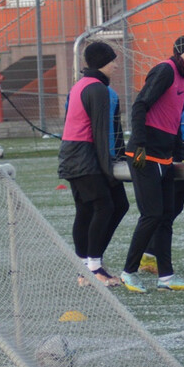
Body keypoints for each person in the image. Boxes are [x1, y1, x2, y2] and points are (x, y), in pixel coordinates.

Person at [120, 36, 184, 294]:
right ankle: (128, 273)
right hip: (144, 155)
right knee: (151, 214)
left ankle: (167, 277)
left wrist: (176, 153)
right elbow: (139, 106)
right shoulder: (165, 70)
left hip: (165, 158)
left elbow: (173, 120)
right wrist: (139, 144)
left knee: (165, 217)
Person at [58, 41, 129, 287]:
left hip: (75, 154)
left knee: (109, 206)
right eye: (112, 60)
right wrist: (109, 171)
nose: (116, 65)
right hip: (82, 156)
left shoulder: (84, 85)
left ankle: (86, 268)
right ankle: (93, 268)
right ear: (101, 63)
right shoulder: (97, 89)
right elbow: (100, 134)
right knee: (106, 206)